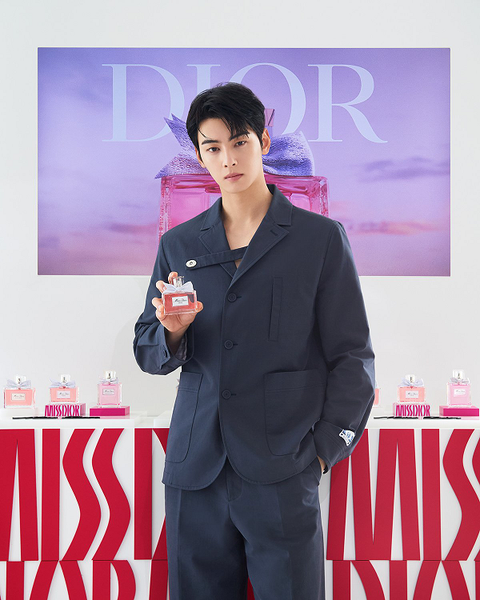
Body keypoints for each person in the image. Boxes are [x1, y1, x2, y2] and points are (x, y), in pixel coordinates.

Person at [133, 82, 375, 600]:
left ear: (263, 141)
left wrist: (323, 453)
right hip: (196, 470)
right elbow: (147, 349)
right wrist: (172, 331)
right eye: (213, 147)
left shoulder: (320, 239)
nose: (228, 159)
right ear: (199, 155)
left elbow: (352, 356)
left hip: (284, 466)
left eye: (239, 142)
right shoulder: (179, 243)